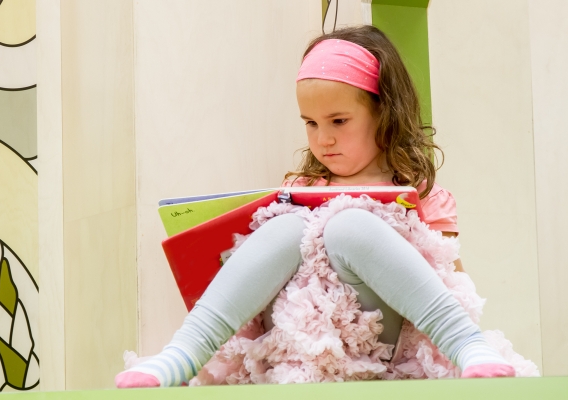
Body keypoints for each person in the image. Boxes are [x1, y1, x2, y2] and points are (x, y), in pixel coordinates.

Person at [116, 25, 515, 388]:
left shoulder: (423, 195)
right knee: (287, 226)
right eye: (310, 123)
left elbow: (454, 284)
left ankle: (465, 344)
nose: (323, 139)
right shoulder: (299, 189)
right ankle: (183, 352)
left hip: (382, 343)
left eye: (338, 121)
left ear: (384, 113)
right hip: (296, 343)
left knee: (349, 226)